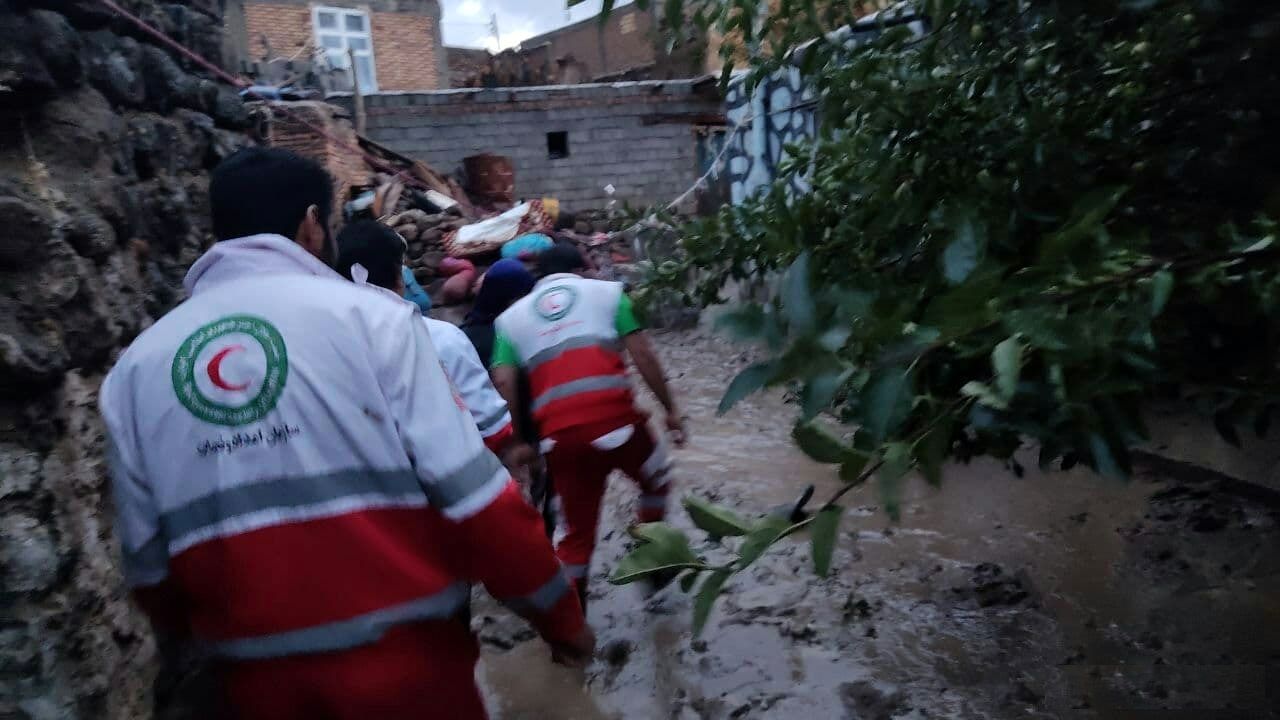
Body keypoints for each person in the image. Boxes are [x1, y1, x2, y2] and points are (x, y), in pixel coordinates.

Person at [99, 147, 590, 720]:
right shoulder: (377, 322)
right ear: (311, 225)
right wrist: (560, 621)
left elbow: (149, 572)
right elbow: (479, 502)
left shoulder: (133, 372)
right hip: (414, 685)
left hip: (252, 696)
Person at [490, 244, 686, 607]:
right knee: (657, 480)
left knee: (576, 535)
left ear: (539, 277)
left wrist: (518, 440)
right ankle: (652, 556)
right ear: (582, 268)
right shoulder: (611, 295)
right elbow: (643, 353)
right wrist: (671, 409)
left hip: (560, 441)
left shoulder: (509, 321)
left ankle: (572, 621)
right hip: (621, 425)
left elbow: (503, 381)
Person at [335, 221, 531, 468]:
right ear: (400, 277)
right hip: (449, 487)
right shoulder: (443, 339)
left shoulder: (322, 348)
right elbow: (494, 430)